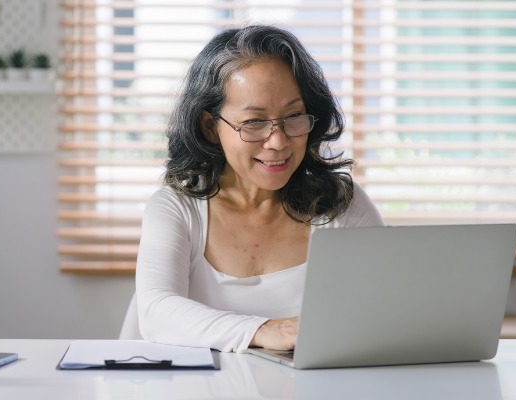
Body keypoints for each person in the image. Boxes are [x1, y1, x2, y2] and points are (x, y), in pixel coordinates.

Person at [135, 24, 384, 353]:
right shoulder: (176, 208)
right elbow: (156, 313)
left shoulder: (340, 204)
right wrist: (263, 330)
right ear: (210, 127)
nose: (279, 141)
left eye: (294, 116)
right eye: (254, 122)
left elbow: (385, 311)